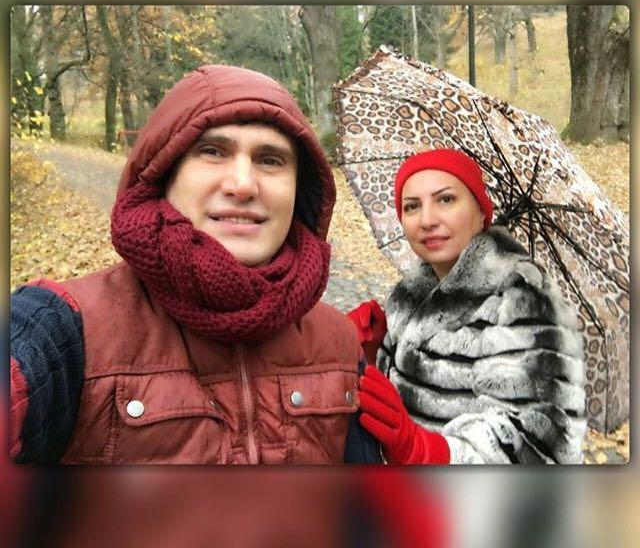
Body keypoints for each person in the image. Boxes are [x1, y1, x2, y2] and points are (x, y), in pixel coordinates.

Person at [10, 64, 379, 465]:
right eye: (212, 152)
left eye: (270, 160)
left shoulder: (341, 344)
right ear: (163, 175)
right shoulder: (66, 329)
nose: (243, 185)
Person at [350, 148, 587, 464]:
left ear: (481, 212)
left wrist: (428, 451)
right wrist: (368, 355)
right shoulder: (408, 295)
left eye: (446, 200)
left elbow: (536, 437)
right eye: (412, 206)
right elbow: (391, 408)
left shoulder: (521, 298)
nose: (427, 220)